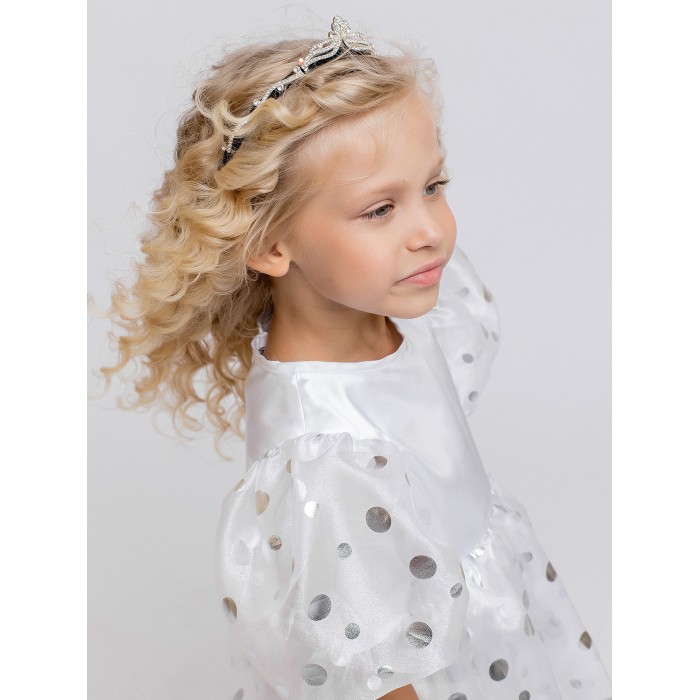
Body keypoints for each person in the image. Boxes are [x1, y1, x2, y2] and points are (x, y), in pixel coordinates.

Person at [102, 16, 612, 700]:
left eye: (433, 185)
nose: (430, 231)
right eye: (380, 210)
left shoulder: (401, 303)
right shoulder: (326, 463)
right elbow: (378, 677)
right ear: (270, 244)